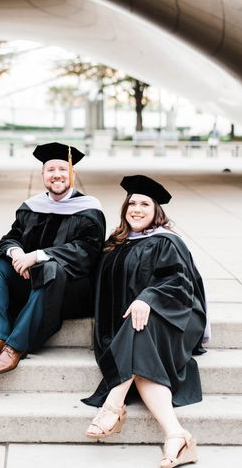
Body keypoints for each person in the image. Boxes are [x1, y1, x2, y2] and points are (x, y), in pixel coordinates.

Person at [82, 175, 208, 468]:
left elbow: (180, 284)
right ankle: (176, 436)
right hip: (131, 324)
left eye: (145, 204)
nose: (136, 209)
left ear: (156, 211)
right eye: (132, 203)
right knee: (139, 332)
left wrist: (147, 298)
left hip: (176, 317)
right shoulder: (116, 242)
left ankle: (113, 405)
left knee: (141, 326)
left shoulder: (166, 241)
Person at [0, 142, 105, 373]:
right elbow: (10, 237)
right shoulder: (32, 207)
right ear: (43, 175)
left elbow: (87, 252)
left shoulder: (88, 210)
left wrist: (39, 256)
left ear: (73, 173)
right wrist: (18, 253)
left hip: (69, 291)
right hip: (32, 285)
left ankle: (15, 347)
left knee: (51, 268)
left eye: (63, 169)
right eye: (51, 170)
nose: (57, 175)